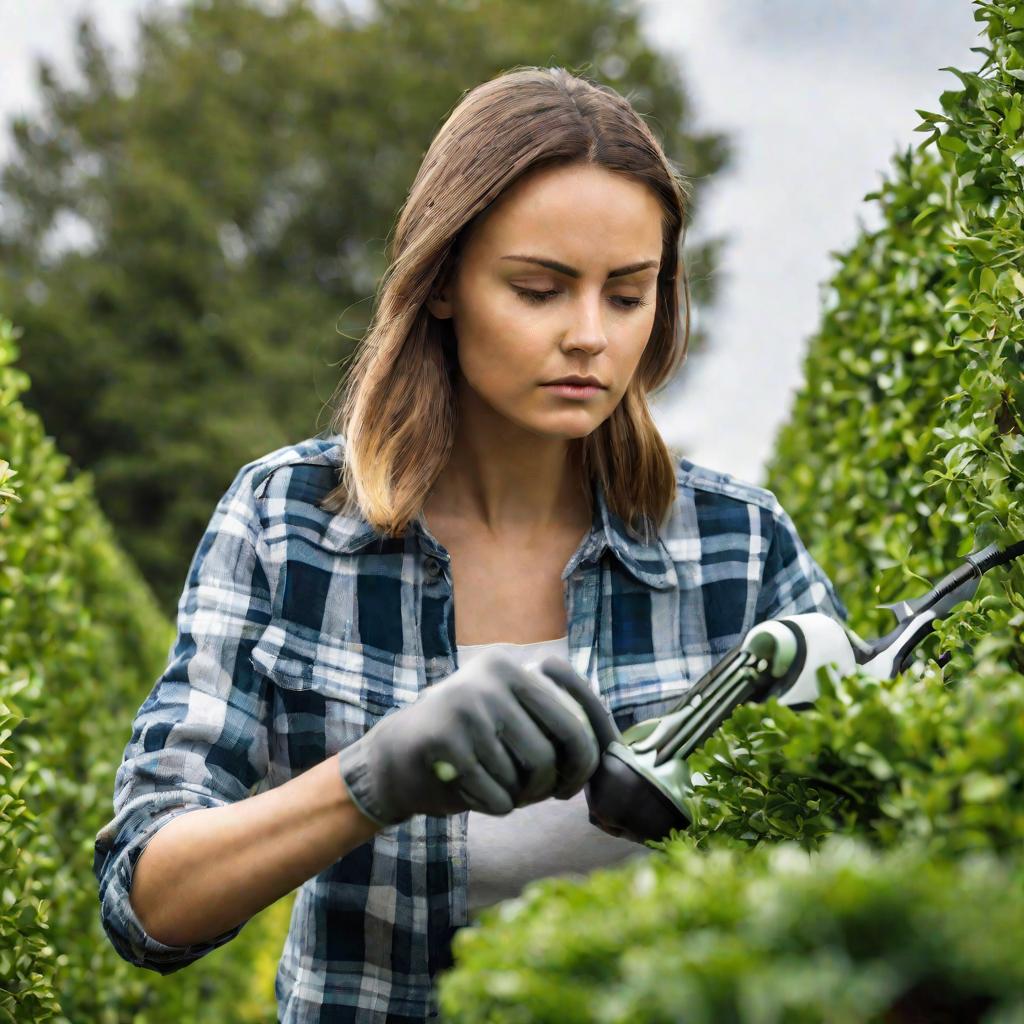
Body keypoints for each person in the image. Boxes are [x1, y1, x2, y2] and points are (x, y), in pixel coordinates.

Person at [92, 65, 851, 1022]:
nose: (589, 336)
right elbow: (145, 901)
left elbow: (860, 856)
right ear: (442, 281)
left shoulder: (739, 550)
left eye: (627, 296)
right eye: (539, 289)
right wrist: (374, 776)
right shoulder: (288, 524)